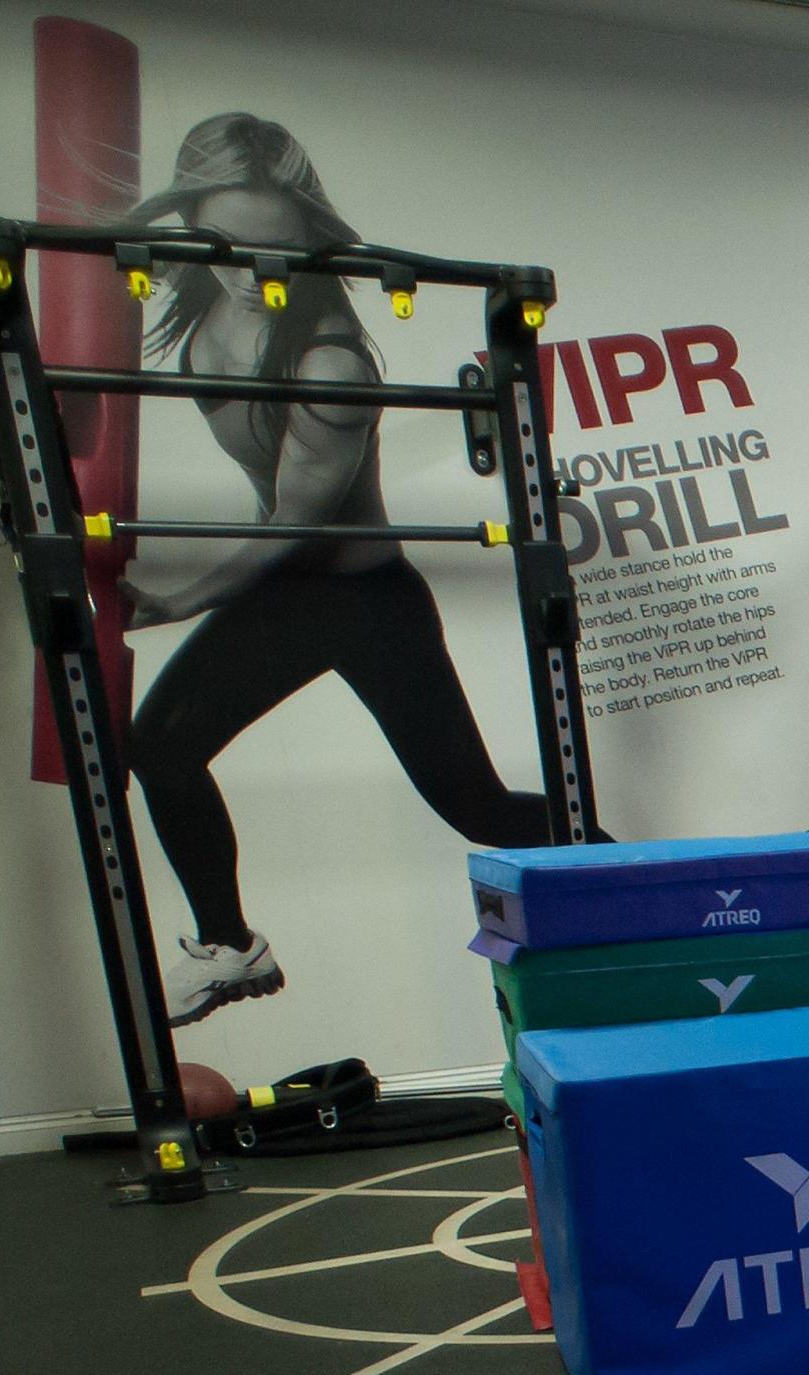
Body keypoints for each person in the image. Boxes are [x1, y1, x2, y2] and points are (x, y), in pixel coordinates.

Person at [119, 113, 562, 1026]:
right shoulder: (202, 299)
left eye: (279, 252)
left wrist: (173, 599)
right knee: (161, 748)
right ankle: (231, 948)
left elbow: (294, 527)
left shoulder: (327, 360)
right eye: (230, 248)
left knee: (475, 807)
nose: (257, 275)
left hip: (356, 598)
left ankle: (639, 886)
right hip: (295, 592)